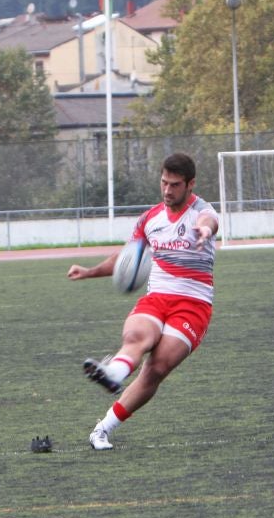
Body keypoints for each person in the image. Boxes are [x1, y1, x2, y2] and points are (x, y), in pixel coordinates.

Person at [67, 153, 219, 450]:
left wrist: (204, 230)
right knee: (138, 336)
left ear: (191, 185)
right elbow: (127, 257)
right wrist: (89, 272)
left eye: (175, 185)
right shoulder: (150, 218)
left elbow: (208, 221)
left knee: (157, 367)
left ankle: (103, 429)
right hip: (157, 296)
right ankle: (114, 373)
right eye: (164, 182)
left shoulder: (202, 211)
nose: (167, 190)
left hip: (193, 303)